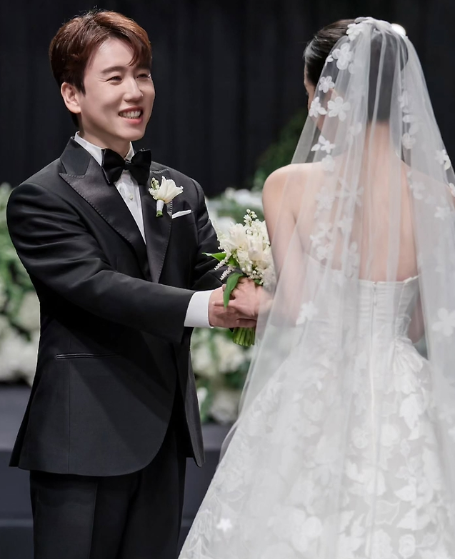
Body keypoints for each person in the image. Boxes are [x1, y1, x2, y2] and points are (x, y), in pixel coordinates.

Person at [180, 17, 455, 558]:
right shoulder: (440, 198)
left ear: (330, 93)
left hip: (319, 378)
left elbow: (297, 305)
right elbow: (423, 322)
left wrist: (256, 301)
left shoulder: (290, 187)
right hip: (401, 384)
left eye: (310, 94)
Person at [6, 9, 259, 559]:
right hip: (82, 440)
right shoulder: (41, 197)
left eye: (142, 74)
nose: (135, 91)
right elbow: (97, 286)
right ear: (72, 95)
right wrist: (208, 308)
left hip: (165, 435)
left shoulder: (181, 189)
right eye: (115, 77)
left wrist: (258, 289)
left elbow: (214, 272)